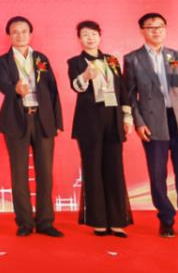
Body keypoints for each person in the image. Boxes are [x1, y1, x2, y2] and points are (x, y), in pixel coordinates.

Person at [124, 13, 178, 239]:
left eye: (160, 27)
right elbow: (130, 95)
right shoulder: (133, 59)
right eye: (151, 27)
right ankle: (166, 220)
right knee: (157, 174)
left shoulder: (176, 55)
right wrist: (139, 122)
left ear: (165, 29)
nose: (156, 31)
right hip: (153, 122)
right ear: (142, 31)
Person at [0, 16, 64, 237]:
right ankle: (24, 222)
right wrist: (14, 89)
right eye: (15, 31)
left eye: (24, 31)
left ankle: (45, 222)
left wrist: (57, 121)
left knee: (45, 173)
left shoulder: (41, 58)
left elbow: (53, 90)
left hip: (43, 120)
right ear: (9, 35)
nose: (20, 35)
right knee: (19, 173)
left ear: (30, 34)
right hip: (17, 120)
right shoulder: (3, 60)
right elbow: (2, 84)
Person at [68, 20, 133, 237]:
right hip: (89, 121)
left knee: (115, 168)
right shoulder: (75, 62)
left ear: (100, 36)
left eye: (93, 34)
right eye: (85, 34)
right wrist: (85, 76)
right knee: (92, 169)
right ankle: (98, 221)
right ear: (79, 39)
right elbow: (75, 86)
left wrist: (127, 117)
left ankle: (117, 221)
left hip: (113, 118)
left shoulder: (112, 60)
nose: (90, 38)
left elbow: (122, 89)